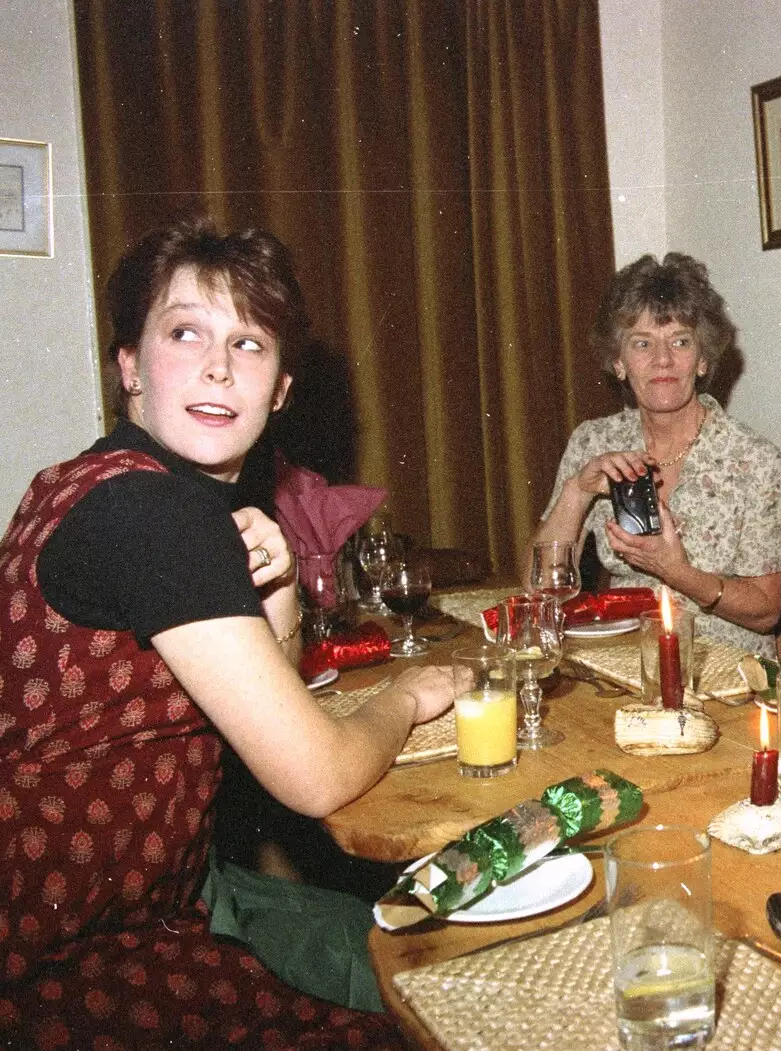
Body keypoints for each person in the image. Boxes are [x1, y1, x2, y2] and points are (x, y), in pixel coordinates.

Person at [0, 218, 462, 1047]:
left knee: (408, 952)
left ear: (279, 388)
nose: (218, 365)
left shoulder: (88, 481)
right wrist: (410, 693)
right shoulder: (156, 514)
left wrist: (279, 583)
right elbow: (316, 777)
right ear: (130, 367)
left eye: (250, 344)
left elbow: (264, 694)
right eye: (186, 332)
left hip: (134, 902)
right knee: (425, 1013)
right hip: (60, 957)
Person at [534, 253, 781, 657]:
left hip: (723, 670)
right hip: (622, 661)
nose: (662, 360)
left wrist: (675, 571)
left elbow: (766, 611)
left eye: (680, 341)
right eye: (642, 343)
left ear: (703, 358)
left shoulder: (754, 460)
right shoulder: (593, 442)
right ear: (619, 362)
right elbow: (538, 590)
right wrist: (577, 491)